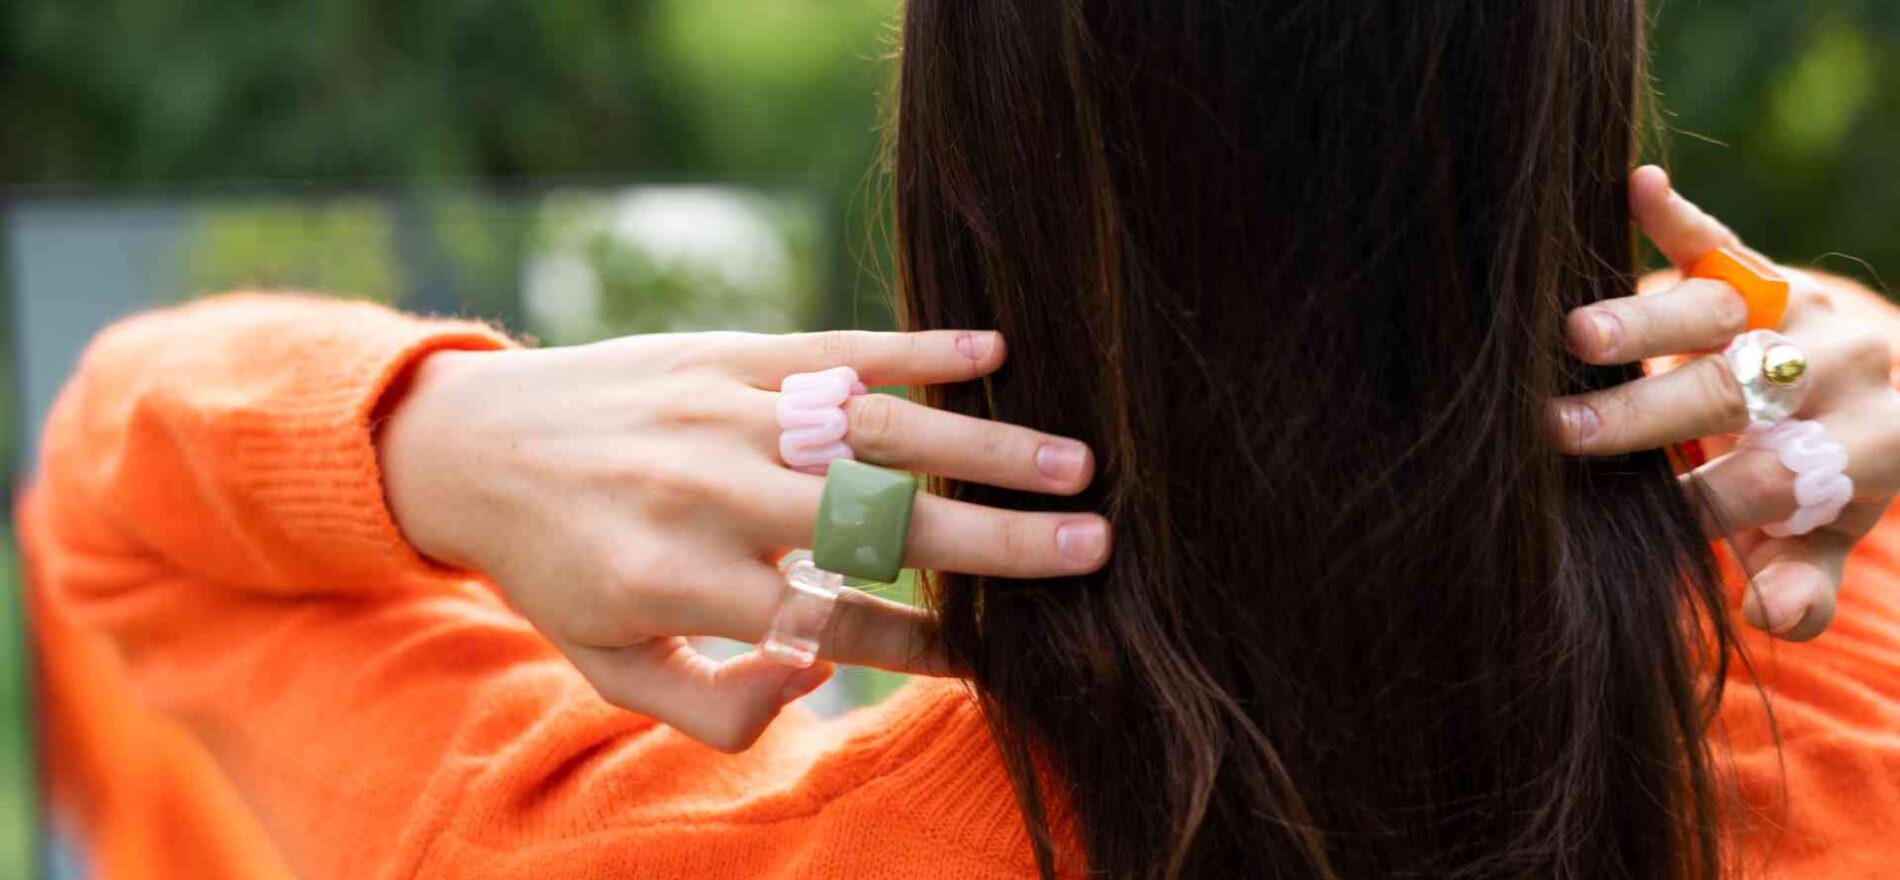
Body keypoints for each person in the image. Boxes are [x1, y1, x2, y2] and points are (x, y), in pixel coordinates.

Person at [20, 1, 1900, 878]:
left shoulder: (652, 846)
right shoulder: (1852, 683)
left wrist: (437, 430)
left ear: (966, 150)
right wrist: (1839, 348)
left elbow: (113, 499)